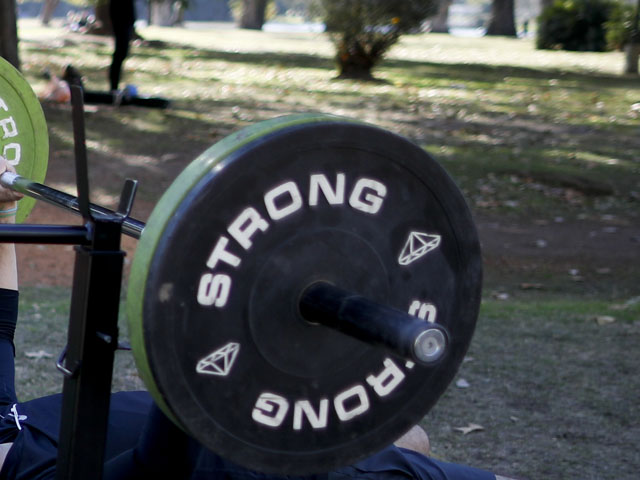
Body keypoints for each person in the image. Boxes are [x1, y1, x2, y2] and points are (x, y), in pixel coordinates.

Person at [0, 157, 515, 479]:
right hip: (173, 448)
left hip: (74, 429)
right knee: (227, 445)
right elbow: (158, 465)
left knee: (409, 438)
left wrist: (1, 211)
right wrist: (202, 320)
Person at [108, 0, 136, 96]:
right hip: (120, 21)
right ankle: (113, 86)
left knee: (122, 53)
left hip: (127, 21)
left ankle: (115, 86)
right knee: (119, 54)